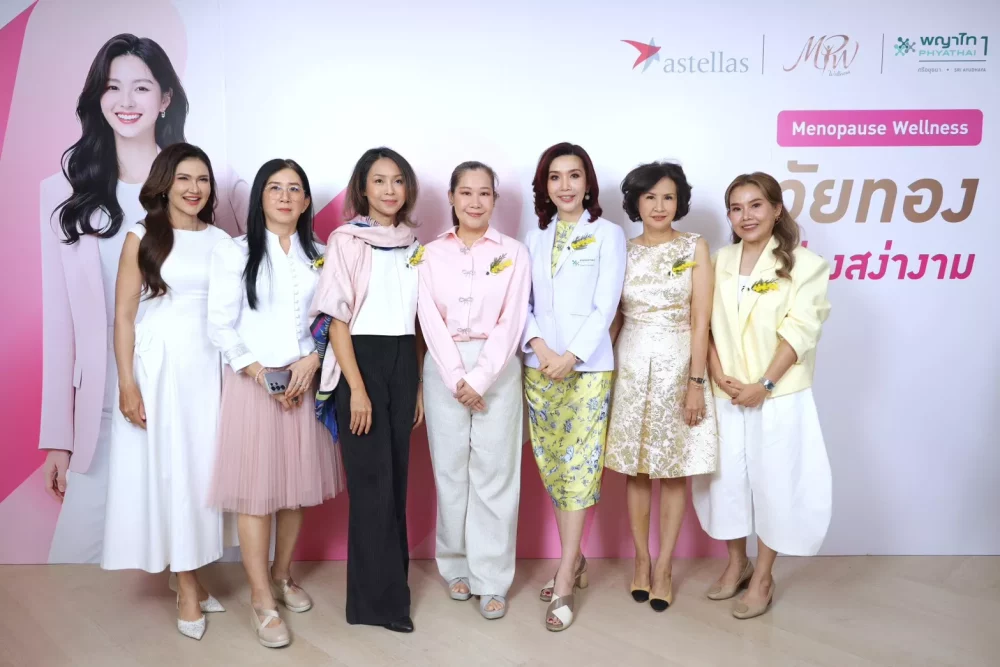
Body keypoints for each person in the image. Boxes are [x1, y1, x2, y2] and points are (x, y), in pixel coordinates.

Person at [38, 33, 247, 564]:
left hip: (196, 394)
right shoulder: (61, 192)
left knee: (204, 541)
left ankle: (191, 591)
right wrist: (58, 435)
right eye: (112, 87)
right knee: (76, 559)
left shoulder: (209, 185)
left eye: (141, 87)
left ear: (166, 97)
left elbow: (234, 293)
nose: (126, 101)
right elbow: (59, 322)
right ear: (97, 97)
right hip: (106, 404)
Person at [207, 159, 343, 648]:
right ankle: (260, 597)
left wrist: (311, 362)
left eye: (295, 189)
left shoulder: (322, 255)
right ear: (260, 198)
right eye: (275, 187)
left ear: (306, 201)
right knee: (256, 492)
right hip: (253, 384)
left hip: (303, 384)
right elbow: (220, 323)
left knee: (294, 489)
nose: (285, 196)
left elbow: (333, 320)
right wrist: (260, 373)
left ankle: (283, 576)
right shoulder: (235, 252)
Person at [101, 143, 231, 640]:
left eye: (203, 179)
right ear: (164, 183)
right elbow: (123, 316)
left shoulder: (222, 241)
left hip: (209, 368)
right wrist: (127, 383)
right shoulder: (142, 236)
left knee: (200, 474)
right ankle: (188, 586)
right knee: (171, 472)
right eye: (184, 179)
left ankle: (188, 571)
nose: (195, 189)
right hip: (158, 369)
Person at [692, 172, 833, 619]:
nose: (746, 216)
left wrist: (764, 385)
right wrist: (718, 374)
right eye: (736, 208)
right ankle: (737, 563)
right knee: (725, 484)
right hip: (726, 393)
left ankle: (765, 577)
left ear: (776, 209)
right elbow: (702, 324)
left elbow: (801, 331)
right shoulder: (719, 260)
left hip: (779, 394)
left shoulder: (806, 265)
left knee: (774, 484)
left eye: (755, 205)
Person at [310, 147, 425, 633]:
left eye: (397, 180)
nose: (389, 190)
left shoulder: (415, 243)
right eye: (379, 181)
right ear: (362, 188)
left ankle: (391, 595)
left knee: (395, 483)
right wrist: (356, 389)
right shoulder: (346, 240)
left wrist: (417, 386)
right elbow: (337, 320)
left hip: (403, 361)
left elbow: (420, 322)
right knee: (371, 487)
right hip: (360, 361)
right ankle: (375, 606)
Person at [416, 161, 531, 620]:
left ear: (495, 200)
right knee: (450, 472)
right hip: (443, 364)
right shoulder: (428, 254)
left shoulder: (514, 253)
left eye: (484, 193)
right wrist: (454, 377)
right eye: (466, 192)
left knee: (495, 474)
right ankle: (455, 565)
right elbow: (428, 318)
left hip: (497, 366)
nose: (475, 202)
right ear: (451, 197)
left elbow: (512, 319)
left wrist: (479, 378)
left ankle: (492, 578)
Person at [521, 142, 626, 631]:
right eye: (555, 176)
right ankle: (576, 558)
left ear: (588, 183)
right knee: (554, 468)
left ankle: (565, 574)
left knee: (580, 469)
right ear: (544, 186)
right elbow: (521, 304)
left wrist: (572, 356)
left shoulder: (608, 234)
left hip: (586, 370)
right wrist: (541, 348)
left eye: (574, 175)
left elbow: (607, 306)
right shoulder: (533, 237)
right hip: (540, 368)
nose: (565, 185)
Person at [606, 161, 717, 612]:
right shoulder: (623, 250)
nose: (658, 206)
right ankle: (641, 560)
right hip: (630, 367)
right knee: (635, 469)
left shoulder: (694, 246)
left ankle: (665, 566)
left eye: (667, 197)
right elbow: (613, 317)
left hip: (678, 366)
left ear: (679, 202)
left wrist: (696, 383)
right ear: (635, 202)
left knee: (673, 470)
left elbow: (701, 320)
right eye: (649, 197)